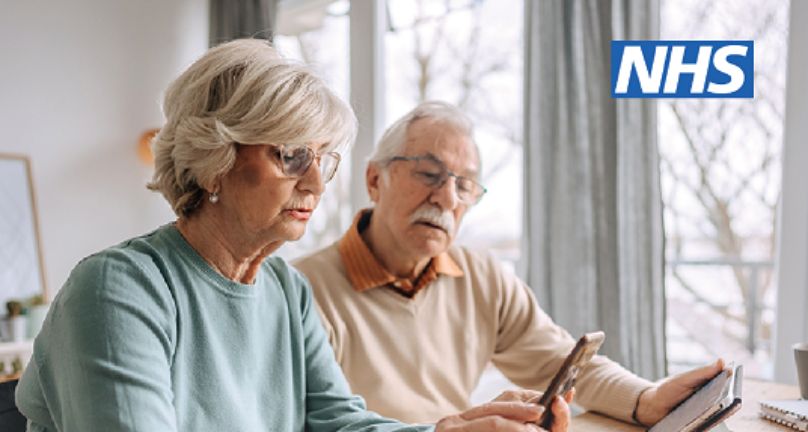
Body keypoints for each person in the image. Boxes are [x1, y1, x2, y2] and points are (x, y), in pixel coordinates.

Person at [14, 41, 570, 432]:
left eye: (323, 160)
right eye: (291, 155)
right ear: (214, 160)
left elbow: (339, 422)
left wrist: (447, 431)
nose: (315, 181)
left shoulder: (284, 287)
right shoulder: (119, 290)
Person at [293, 100, 725, 426]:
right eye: (429, 174)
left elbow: (564, 363)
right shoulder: (303, 292)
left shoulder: (482, 278)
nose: (447, 198)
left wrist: (645, 399)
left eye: (465, 185)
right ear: (374, 179)